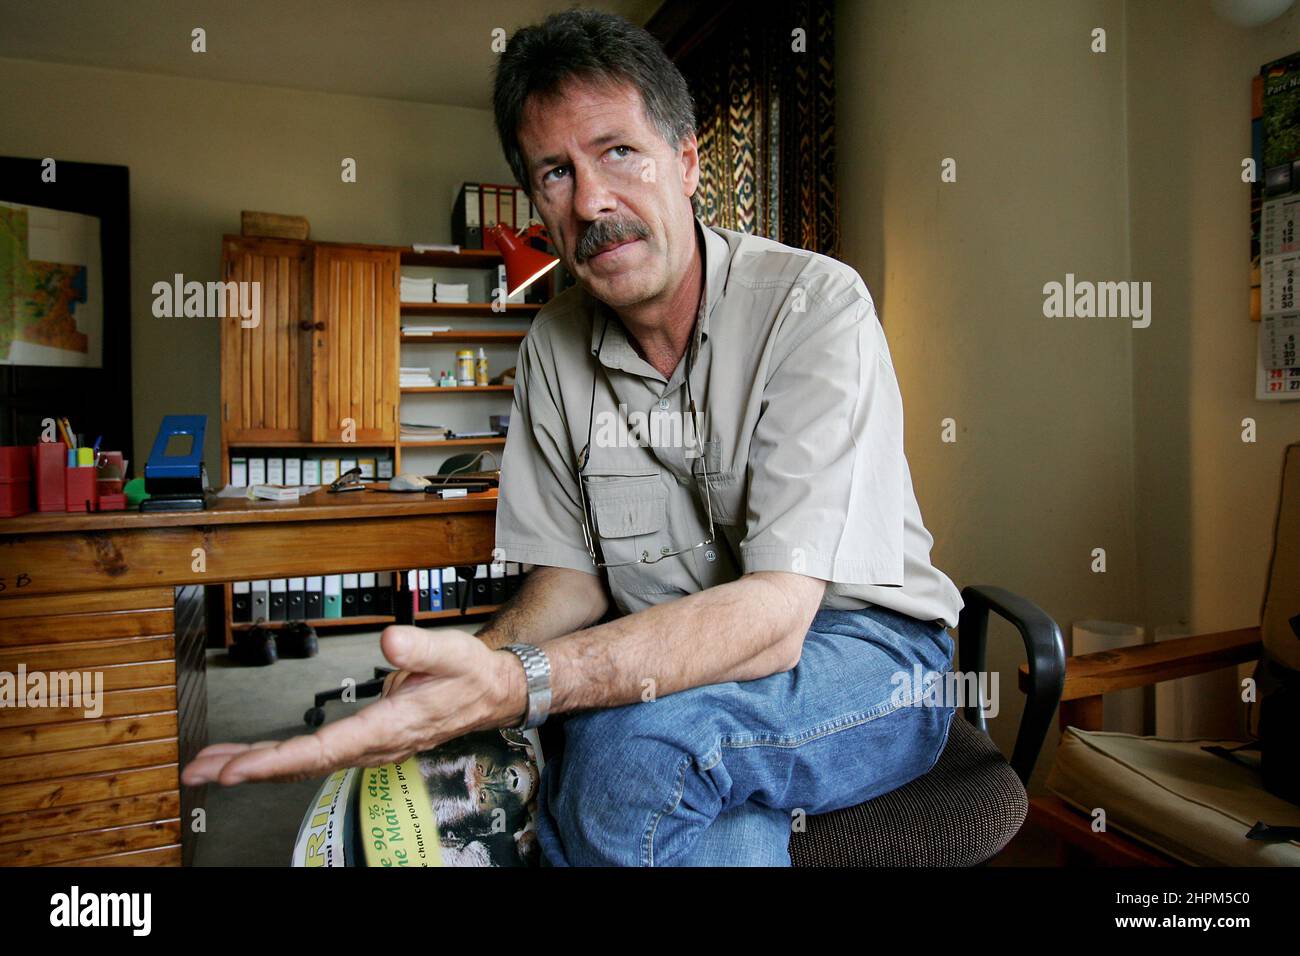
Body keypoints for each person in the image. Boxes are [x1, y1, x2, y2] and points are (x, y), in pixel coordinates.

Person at [183, 9, 965, 868]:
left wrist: (523, 687)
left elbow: (778, 618)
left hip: (870, 654)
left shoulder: (815, 306)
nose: (592, 199)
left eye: (617, 151)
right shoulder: (553, 348)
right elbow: (571, 584)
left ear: (689, 161)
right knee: (671, 798)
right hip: (677, 668)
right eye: (556, 172)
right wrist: (472, 666)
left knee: (625, 753)